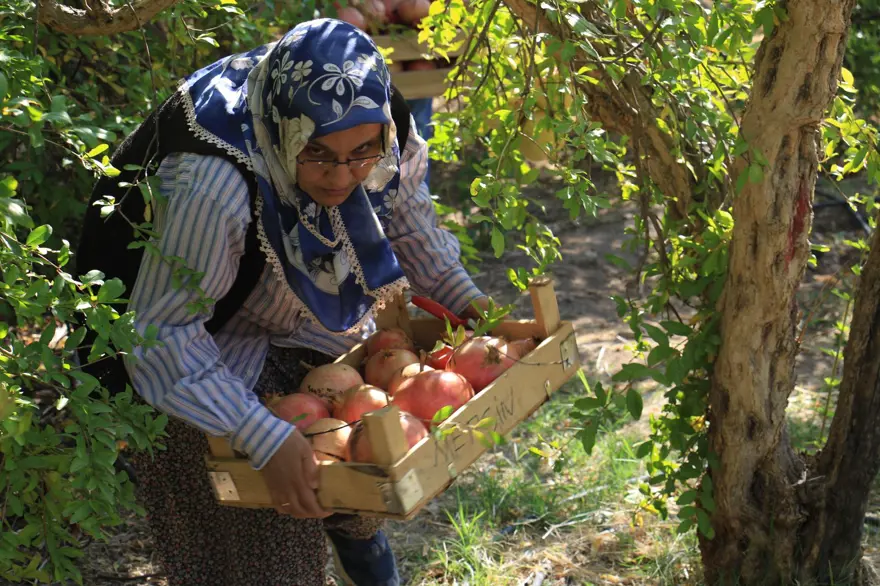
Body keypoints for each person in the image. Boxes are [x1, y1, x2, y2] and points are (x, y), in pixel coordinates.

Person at [81, 19, 489, 586]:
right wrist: (262, 434)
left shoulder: (377, 120)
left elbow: (410, 223)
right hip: (184, 359)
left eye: (360, 153)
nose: (342, 176)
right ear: (282, 134)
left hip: (288, 324)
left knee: (358, 485)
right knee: (270, 550)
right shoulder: (213, 183)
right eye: (317, 153)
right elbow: (160, 332)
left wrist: (476, 314)